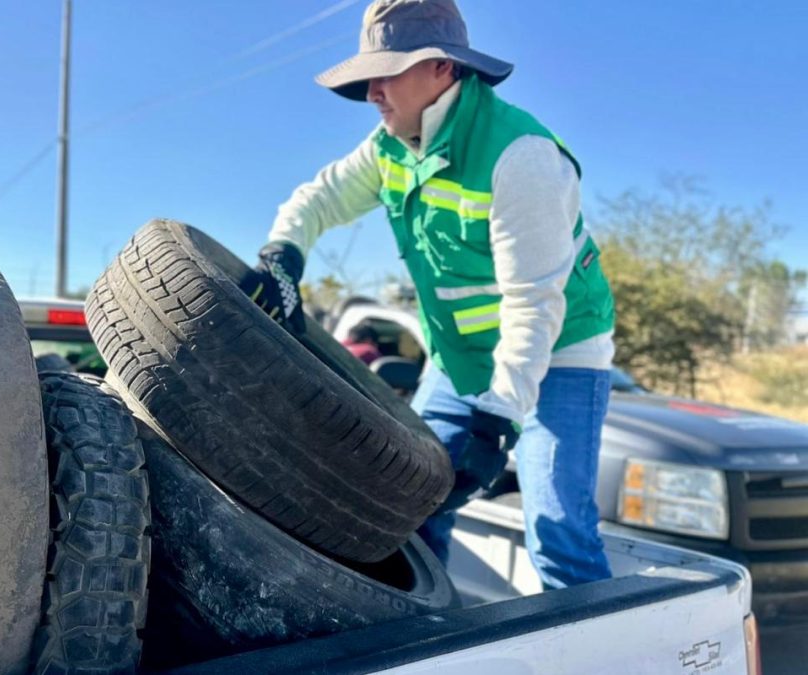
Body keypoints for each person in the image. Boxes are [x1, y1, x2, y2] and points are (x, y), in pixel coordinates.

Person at [240, 0, 617, 589]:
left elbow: (534, 303)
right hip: (458, 358)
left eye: (386, 72)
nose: (371, 92)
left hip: (559, 355)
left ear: (443, 69)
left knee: (559, 533)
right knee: (407, 505)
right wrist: (282, 253)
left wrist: (499, 419)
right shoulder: (389, 147)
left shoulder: (521, 156)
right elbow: (318, 199)